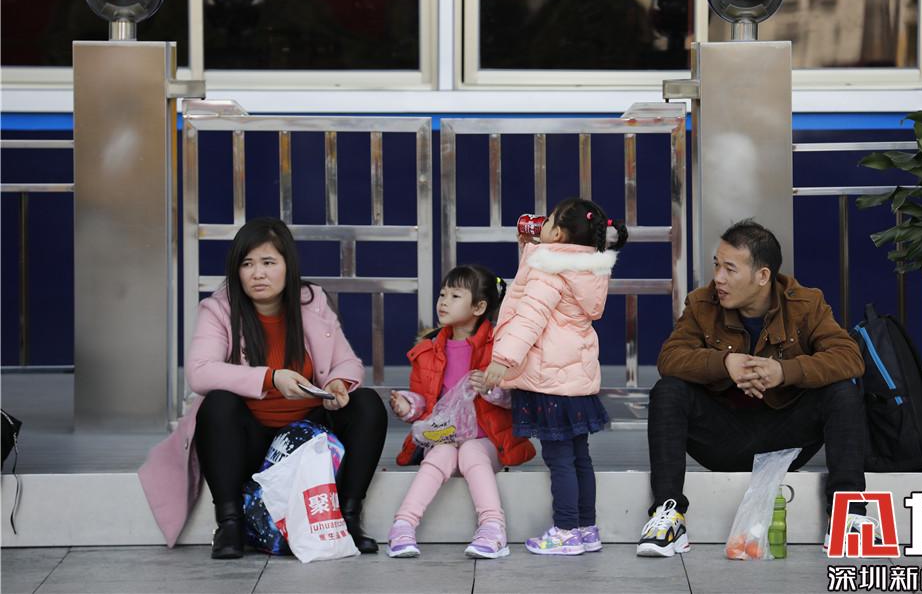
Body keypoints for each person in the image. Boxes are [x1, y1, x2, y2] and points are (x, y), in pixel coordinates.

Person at [139, 217, 388, 558]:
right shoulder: (219, 309)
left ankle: (347, 518)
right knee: (218, 404)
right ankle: (230, 524)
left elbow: (349, 361)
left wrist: (336, 383)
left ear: (288, 266)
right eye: (247, 264)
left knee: (366, 404)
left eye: (269, 263)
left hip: (307, 439)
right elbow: (199, 372)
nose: (258, 273)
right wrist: (271, 378)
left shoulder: (311, 301)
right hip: (249, 442)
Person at [638, 219, 867, 557]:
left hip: (787, 436)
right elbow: (670, 358)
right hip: (723, 436)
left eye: (730, 269)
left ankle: (849, 515)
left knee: (842, 391)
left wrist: (784, 372)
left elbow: (849, 357)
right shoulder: (702, 304)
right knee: (668, 391)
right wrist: (725, 364)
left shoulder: (806, 304)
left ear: (762, 276)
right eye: (717, 265)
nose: (719, 278)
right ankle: (668, 514)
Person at [481, 197, 629, 555]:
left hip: (549, 381)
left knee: (559, 459)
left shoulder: (549, 270)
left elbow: (529, 316)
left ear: (559, 234)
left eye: (547, 222)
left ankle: (565, 531)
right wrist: (530, 252)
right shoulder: (587, 269)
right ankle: (586, 528)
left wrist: (502, 359)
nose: (540, 224)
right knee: (580, 457)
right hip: (574, 379)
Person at [386, 265, 535, 559]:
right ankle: (403, 525)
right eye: (442, 294)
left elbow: (520, 400)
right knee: (440, 453)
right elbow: (425, 401)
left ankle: (492, 527)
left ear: (479, 307)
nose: (443, 302)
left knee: (470, 451)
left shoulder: (499, 349)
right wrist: (408, 405)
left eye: (455, 296)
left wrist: (491, 389)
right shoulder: (427, 350)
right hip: (444, 436)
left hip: (488, 439)